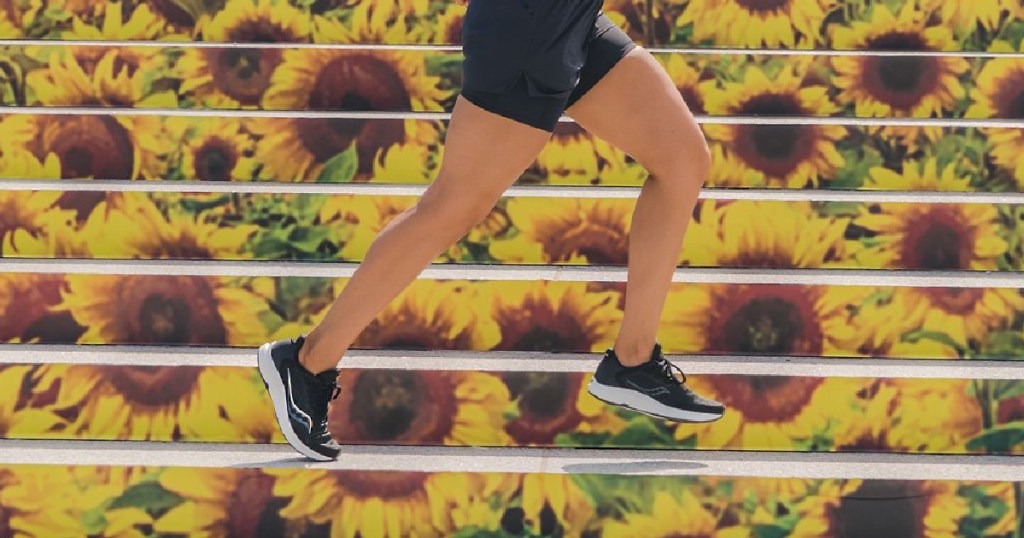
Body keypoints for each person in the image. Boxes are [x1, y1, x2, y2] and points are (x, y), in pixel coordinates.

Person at [257, 0, 726, 462]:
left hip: (572, 21)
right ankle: (307, 362)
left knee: (681, 161)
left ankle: (632, 362)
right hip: (526, 26)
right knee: (452, 205)